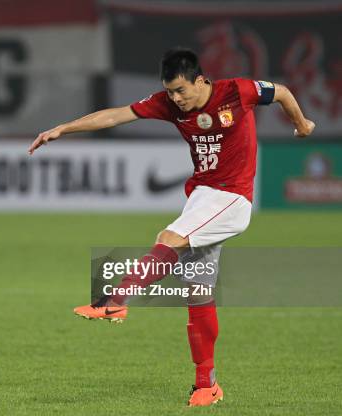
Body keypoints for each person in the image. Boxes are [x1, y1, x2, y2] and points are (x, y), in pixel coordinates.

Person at [27, 48, 315, 407]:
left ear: (201, 81)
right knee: (198, 292)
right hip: (202, 198)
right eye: (170, 92)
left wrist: (301, 124)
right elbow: (118, 115)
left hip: (232, 198)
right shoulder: (168, 103)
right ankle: (206, 386)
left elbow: (283, 92)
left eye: (181, 90)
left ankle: (117, 298)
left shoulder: (237, 91)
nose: (175, 99)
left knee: (170, 238)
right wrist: (62, 128)